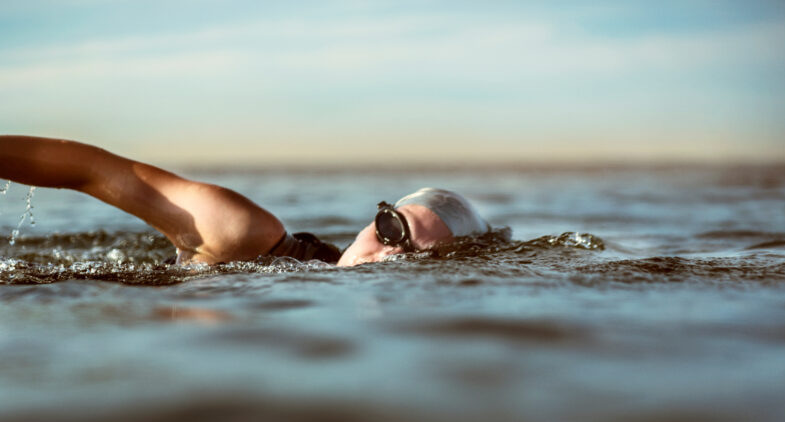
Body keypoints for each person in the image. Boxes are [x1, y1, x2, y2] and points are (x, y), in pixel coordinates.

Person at [0, 135, 489, 267]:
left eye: (416, 261)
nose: (385, 257)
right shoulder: (246, 233)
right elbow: (91, 170)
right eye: (391, 231)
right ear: (374, 221)